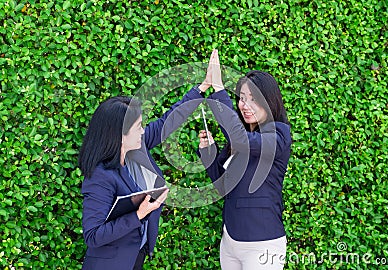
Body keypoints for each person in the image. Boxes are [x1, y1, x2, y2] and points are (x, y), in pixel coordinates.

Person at [78, 83, 206, 269]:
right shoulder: (100, 177)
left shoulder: (133, 153)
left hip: (134, 258)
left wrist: (201, 89)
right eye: (138, 127)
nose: (143, 131)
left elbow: (166, 123)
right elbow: (93, 236)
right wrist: (140, 214)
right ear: (120, 134)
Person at [198, 50, 292, 270]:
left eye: (254, 99)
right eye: (242, 98)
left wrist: (219, 90)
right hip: (230, 240)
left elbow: (242, 139)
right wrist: (209, 153)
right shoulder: (237, 141)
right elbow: (222, 184)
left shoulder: (279, 135)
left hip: (262, 243)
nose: (245, 105)